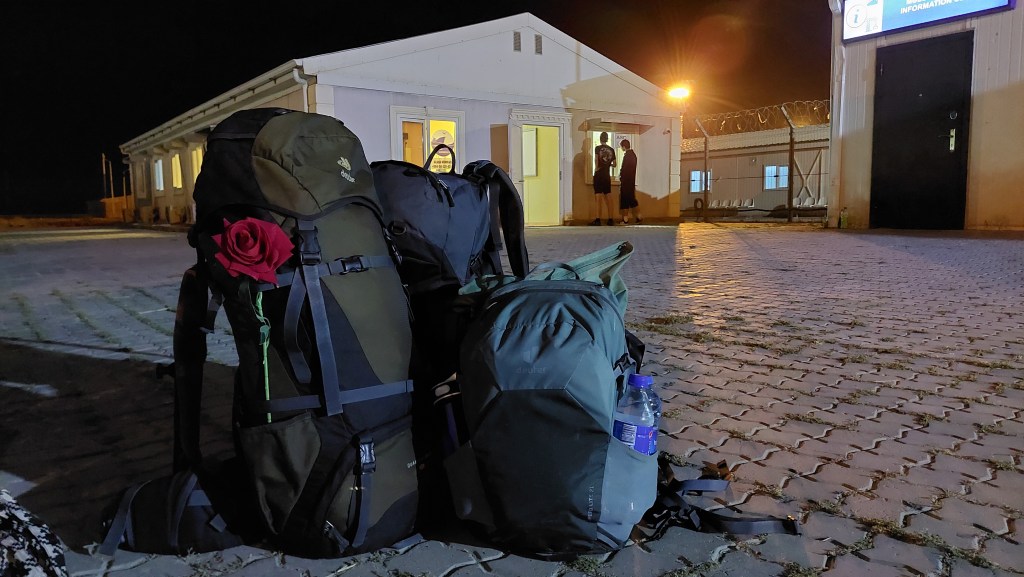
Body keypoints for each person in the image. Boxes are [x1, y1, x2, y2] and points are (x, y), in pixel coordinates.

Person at [590, 132, 616, 225]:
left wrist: (596, 169)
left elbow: (596, 160)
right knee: (609, 197)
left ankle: (598, 219)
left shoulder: (597, 148)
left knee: (598, 197)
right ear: (607, 139)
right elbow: (615, 164)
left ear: (600, 139)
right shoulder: (612, 150)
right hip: (606, 175)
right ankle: (610, 219)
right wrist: (608, 164)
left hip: (599, 174)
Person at [618, 139, 641, 224]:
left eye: (621, 147)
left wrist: (621, 178)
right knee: (632, 199)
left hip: (625, 182)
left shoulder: (627, 156)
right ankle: (639, 216)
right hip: (631, 181)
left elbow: (624, 169)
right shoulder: (633, 155)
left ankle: (625, 219)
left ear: (624, 146)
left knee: (624, 200)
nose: (621, 148)